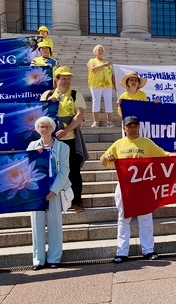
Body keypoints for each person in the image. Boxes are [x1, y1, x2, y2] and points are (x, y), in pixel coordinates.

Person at [100, 116, 176, 263]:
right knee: (123, 220)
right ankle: (122, 252)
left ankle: (148, 250)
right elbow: (102, 161)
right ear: (124, 128)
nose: (132, 128)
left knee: (145, 219)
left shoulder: (147, 143)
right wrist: (107, 158)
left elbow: (165, 156)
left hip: (143, 188)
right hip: (125, 188)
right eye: (129, 126)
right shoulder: (118, 144)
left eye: (135, 125)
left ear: (139, 127)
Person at [41, 66, 87, 212]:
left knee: (73, 170)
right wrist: (49, 102)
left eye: (69, 78)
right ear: (57, 79)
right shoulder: (47, 94)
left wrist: (66, 130)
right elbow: (40, 114)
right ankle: (47, 200)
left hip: (69, 137)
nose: (67, 81)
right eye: (64, 78)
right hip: (50, 139)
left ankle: (77, 201)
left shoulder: (75, 94)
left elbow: (79, 116)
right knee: (48, 169)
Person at [27, 116, 71, 270]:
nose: (44, 129)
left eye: (47, 126)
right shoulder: (32, 145)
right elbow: (27, 166)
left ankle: (54, 258)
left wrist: (54, 189)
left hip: (54, 189)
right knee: (36, 224)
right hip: (37, 191)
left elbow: (65, 170)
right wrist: (35, 153)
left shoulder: (63, 147)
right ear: (36, 129)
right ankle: (38, 259)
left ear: (52, 128)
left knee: (55, 223)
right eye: (41, 126)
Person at [87, 44, 115, 127]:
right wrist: (104, 65)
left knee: (108, 103)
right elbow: (93, 69)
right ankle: (95, 121)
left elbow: (112, 75)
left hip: (107, 85)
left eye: (102, 50)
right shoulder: (92, 61)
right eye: (99, 50)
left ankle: (109, 121)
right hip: (96, 85)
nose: (100, 51)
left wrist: (115, 85)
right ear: (95, 52)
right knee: (96, 102)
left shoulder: (107, 63)